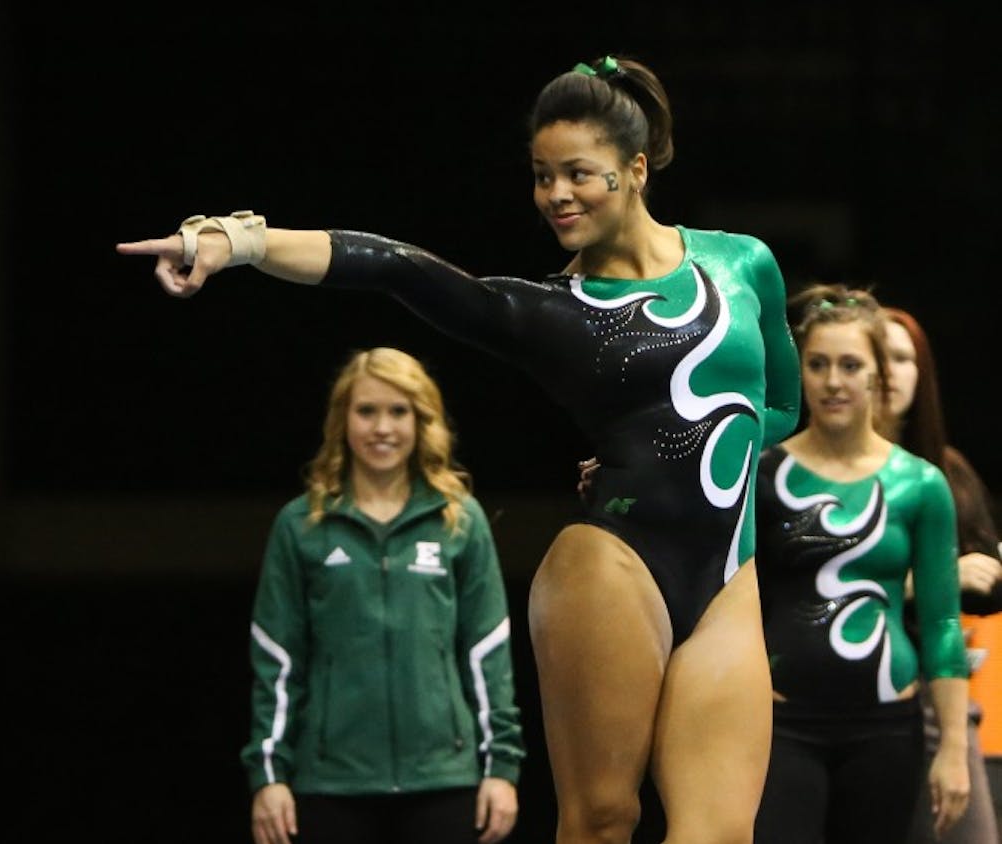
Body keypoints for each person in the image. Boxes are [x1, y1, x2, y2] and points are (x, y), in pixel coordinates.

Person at [121, 54, 801, 843]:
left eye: (578, 173)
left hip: (729, 587)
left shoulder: (745, 262)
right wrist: (239, 242)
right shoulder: (548, 311)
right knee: (604, 819)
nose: (556, 195)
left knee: (721, 834)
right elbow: (392, 267)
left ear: (636, 169)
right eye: (542, 176)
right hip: (616, 568)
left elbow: (779, 407)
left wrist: (716, 451)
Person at [243, 347, 523, 844]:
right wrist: (269, 776)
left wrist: (501, 767)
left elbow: (487, 652)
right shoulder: (302, 524)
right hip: (330, 782)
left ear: (422, 421)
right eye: (366, 410)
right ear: (342, 420)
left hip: (444, 778)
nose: (382, 428)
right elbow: (278, 660)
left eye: (399, 411)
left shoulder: (458, 519)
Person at [752, 286, 969, 843]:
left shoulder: (920, 484)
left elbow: (944, 625)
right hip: (782, 722)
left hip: (886, 728)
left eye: (851, 365)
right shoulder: (764, 475)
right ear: (799, 370)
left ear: (878, 376)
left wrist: (951, 748)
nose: (833, 381)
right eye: (818, 364)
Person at [880, 306, 1002, 843]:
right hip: (835, 694)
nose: (888, 372)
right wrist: (921, 582)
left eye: (903, 358)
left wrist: (967, 578)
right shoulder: (799, 471)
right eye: (877, 358)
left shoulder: (946, 474)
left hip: (937, 693)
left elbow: (987, 579)